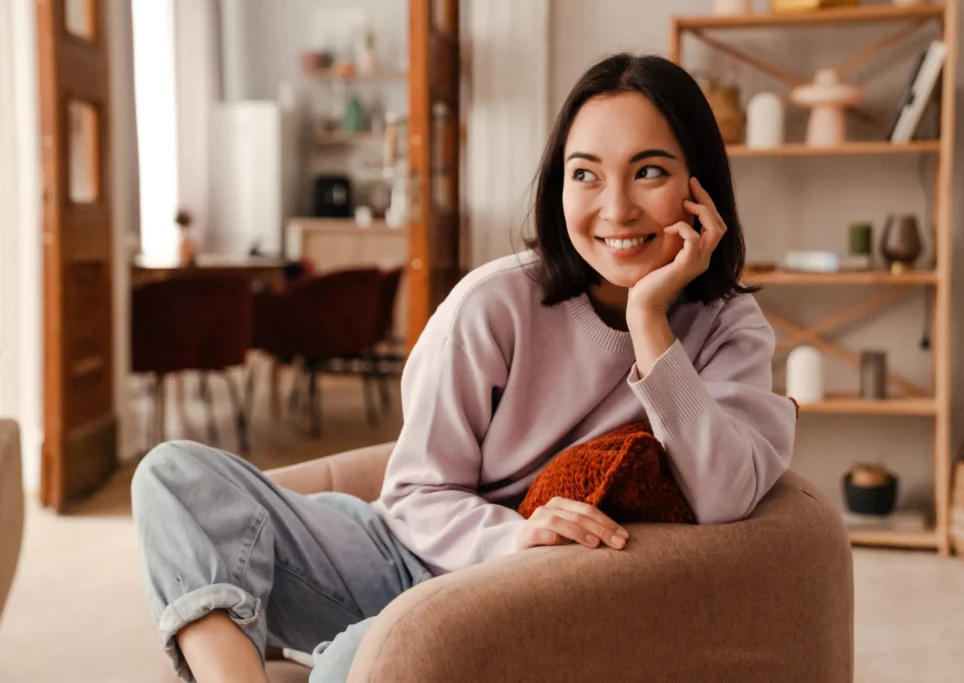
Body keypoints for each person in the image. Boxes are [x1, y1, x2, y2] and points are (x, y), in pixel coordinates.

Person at [131, 53, 796, 683]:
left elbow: (723, 495)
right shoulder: (495, 302)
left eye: (648, 171)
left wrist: (650, 322)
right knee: (171, 475)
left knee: (374, 653)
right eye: (585, 173)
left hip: (505, 600)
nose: (614, 207)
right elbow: (416, 493)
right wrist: (516, 534)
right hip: (401, 554)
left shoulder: (727, 325)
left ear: (699, 185)